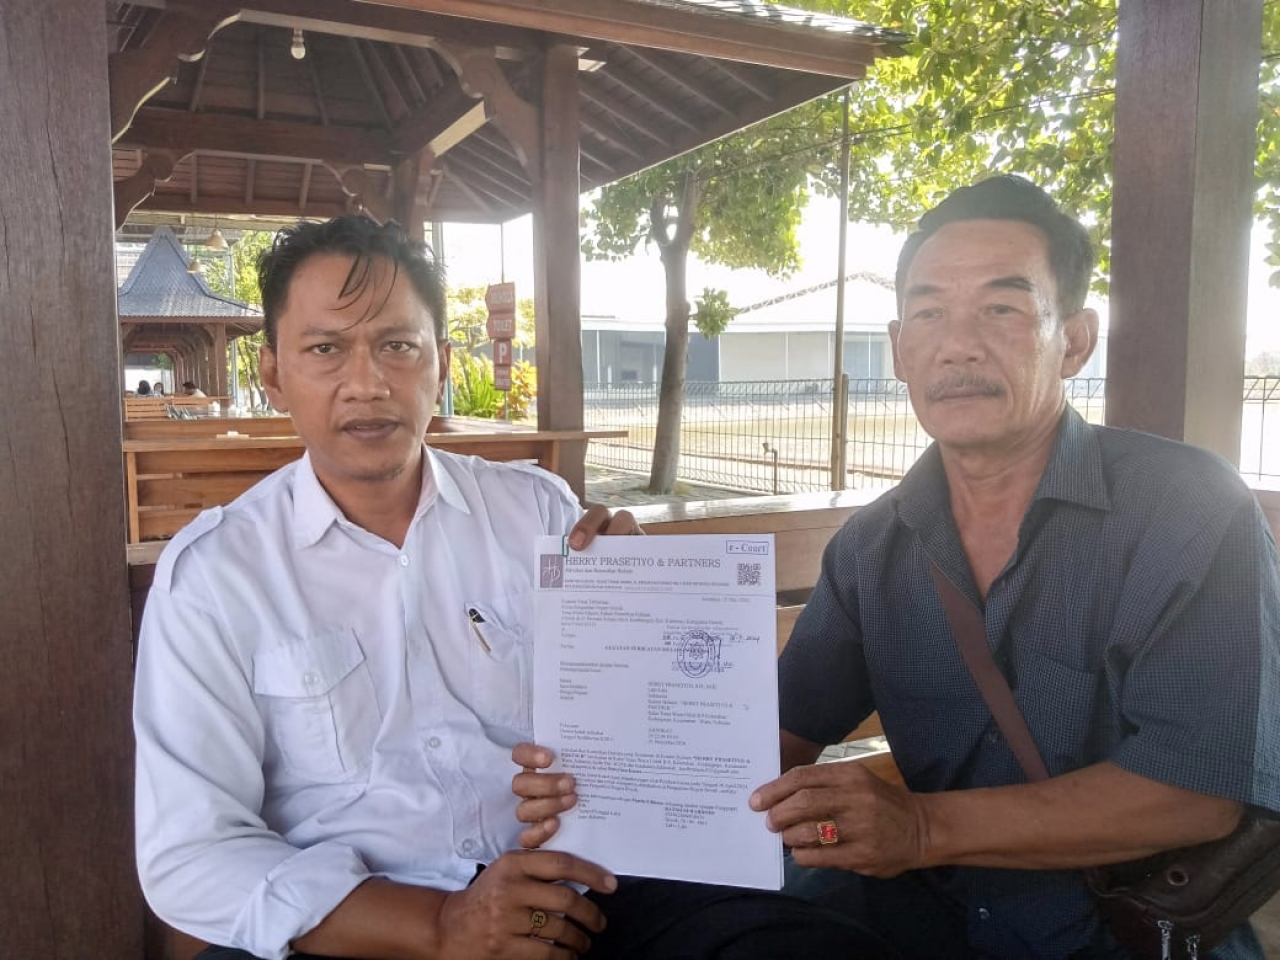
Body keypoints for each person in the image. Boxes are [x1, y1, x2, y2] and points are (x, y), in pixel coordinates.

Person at [518, 175, 1280, 959]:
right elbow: (769, 744)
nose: (958, 344)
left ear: (1075, 342)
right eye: (928, 312)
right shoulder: (873, 548)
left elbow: (1197, 792)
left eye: (1002, 308)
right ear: (900, 349)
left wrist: (920, 828)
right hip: (930, 923)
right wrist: (607, 747)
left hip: (1132, 932)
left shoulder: (1185, 509)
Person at [134, 215, 881, 960]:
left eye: (398, 346)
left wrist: (648, 621)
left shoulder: (538, 515)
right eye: (326, 349)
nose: (367, 383)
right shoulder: (217, 575)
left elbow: (632, 732)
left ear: (440, 362)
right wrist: (439, 925)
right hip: (367, 928)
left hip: (582, 892)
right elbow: (190, 854)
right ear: (273, 375)